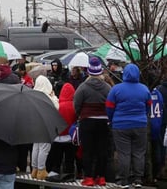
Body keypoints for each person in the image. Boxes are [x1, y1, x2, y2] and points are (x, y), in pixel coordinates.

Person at [106, 63, 151, 188]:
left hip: (120, 125)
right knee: (139, 153)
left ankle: (123, 180)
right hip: (140, 124)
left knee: (123, 153)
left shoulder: (116, 89)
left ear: (124, 73)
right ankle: (138, 179)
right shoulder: (144, 89)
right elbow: (148, 106)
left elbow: (109, 107)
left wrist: (112, 119)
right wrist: (142, 116)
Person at [74, 57, 111, 187]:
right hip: (103, 122)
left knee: (87, 150)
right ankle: (101, 177)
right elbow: (111, 105)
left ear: (89, 72)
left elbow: (76, 105)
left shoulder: (83, 87)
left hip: (87, 122)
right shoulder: (107, 87)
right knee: (102, 150)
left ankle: (89, 177)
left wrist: (81, 115)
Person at [31, 75, 59, 180]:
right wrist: (54, 97)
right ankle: (41, 170)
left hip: (35, 124)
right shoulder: (47, 97)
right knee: (44, 148)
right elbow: (57, 107)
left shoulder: (33, 95)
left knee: (36, 146)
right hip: (46, 124)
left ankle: (34, 169)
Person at [46, 83, 77, 178]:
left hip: (57, 138)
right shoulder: (74, 106)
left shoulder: (58, 105)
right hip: (70, 138)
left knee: (56, 161)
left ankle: (54, 177)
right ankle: (69, 176)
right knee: (69, 160)